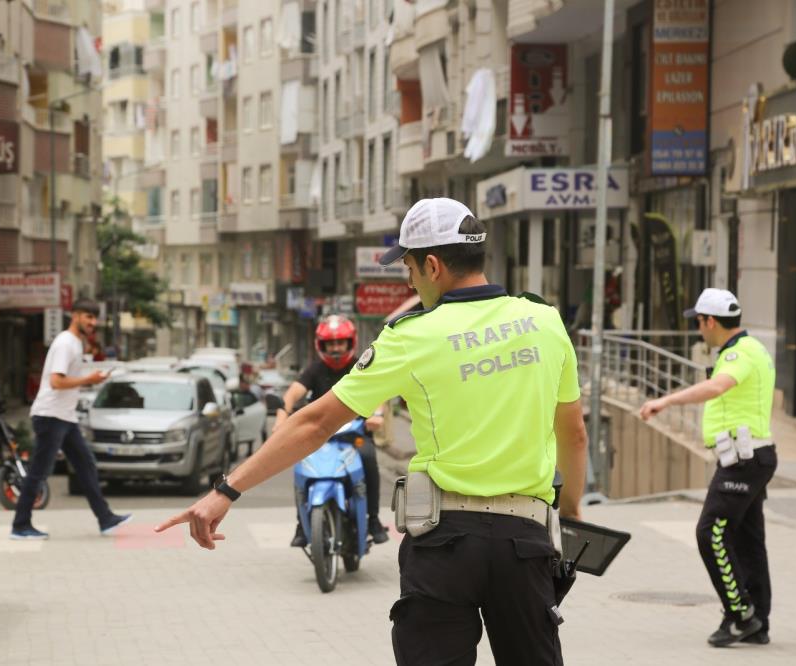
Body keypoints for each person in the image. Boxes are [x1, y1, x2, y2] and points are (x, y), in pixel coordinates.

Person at [157, 198, 588, 665]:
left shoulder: (411, 337)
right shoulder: (545, 323)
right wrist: (570, 514)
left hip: (445, 542)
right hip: (524, 543)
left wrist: (225, 490)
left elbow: (314, 422)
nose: (408, 280)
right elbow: (574, 434)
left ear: (433, 265)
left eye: (409, 267)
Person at [640, 288, 776, 647]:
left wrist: (665, 401)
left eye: (699, 322)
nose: (699, 329)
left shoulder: (740, 353)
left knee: (710, 533)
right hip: (750, 458)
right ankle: (757, 619)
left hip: (743, 462)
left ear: (710, 321)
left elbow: (717, 387)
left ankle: (739, 614)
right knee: (748, 539)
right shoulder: (750, 349)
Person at [11, 300, 132, 540]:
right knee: (39, 472)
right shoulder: (65, 343)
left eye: (94, 318)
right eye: (88, 316)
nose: (92, 323)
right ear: (75, 315)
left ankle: (106, 519)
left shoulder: (76, 343)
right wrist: (89, 380)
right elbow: (56, 381)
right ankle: (20, 525)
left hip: (64, 416)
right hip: (50, 415)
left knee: (85, 465)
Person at [274, 314, 390, 546]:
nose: (336, 348)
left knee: (368, 458)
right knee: (300, 467)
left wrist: (377, 415)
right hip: (320, 435)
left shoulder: (362, 365)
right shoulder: (313, 370)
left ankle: (374, 519)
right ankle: (301, 524)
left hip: (355, 435)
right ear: (321, 345)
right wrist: (280, 419)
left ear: (350, 343)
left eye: (340, 343)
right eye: (331, 344)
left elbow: (379, 392)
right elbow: (292, 394)